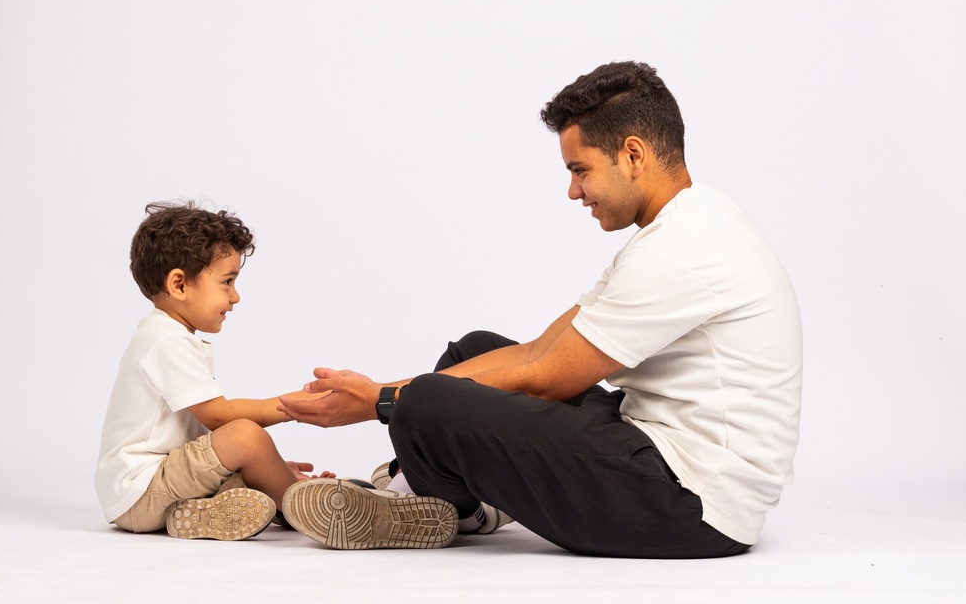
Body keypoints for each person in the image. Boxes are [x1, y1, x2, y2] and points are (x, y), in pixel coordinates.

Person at [278, 61, 803, 558]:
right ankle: (432, 497)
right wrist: (386, 395)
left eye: (581, 170)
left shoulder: (681, 249)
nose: (573, 191)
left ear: (633, 155)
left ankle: (417, 499)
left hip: (692, 502)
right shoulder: (682, 226)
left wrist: (380, 401)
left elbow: (548, 377)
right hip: (656, 450)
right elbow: (540, 351)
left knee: (427, 402)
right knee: (473, 351)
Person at [95, 201, 333, 540]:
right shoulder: (166, 339)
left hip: (152, 488)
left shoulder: (169, 335)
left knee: (250, 465)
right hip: (139, 489)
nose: (235, 297)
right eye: (227, 282)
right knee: (245, 436)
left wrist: (266, 471)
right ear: (179, 285)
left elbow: (201, 437)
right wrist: (294, 405)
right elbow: (219, 417)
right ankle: (310, 509)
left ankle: (204, 512)